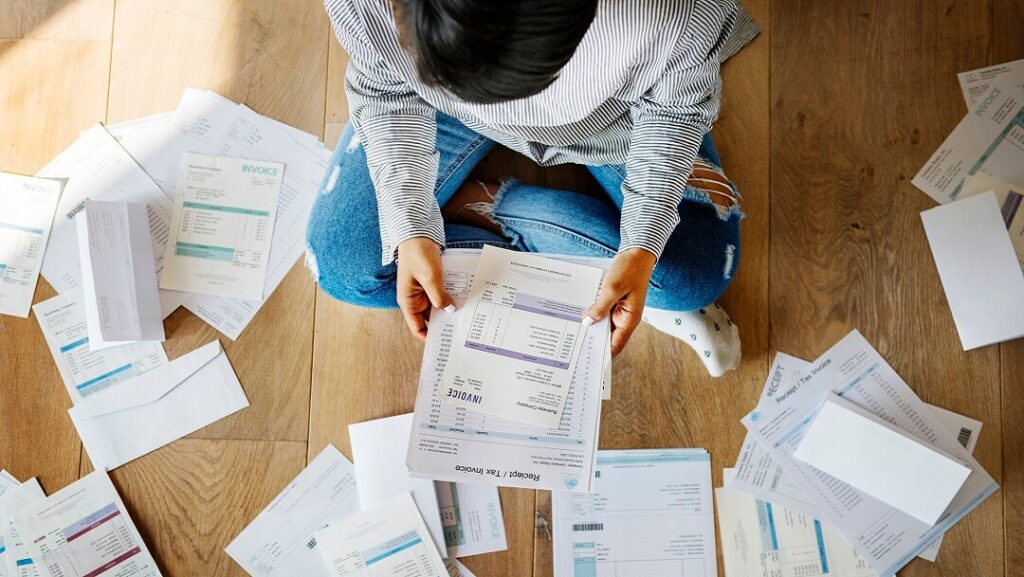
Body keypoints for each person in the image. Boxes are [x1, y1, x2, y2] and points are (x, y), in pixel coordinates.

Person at [306, 0, 744, 376]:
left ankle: (481, 204)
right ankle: (598, 274)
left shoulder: (675, 15)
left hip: (611, 123)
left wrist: (642, 245)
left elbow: (674, 112)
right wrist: (409, 223)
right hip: (438, 112)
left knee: (697, 276)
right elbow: (385, 91)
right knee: (345, 266)